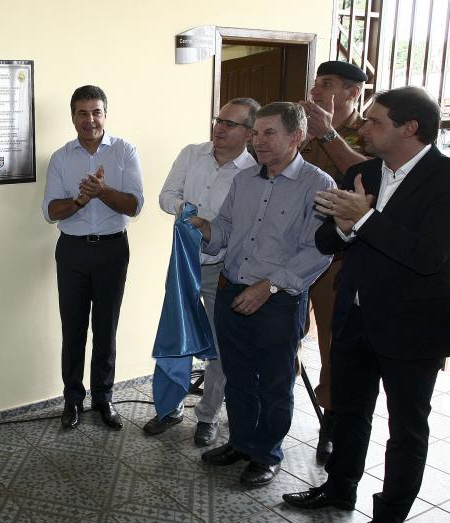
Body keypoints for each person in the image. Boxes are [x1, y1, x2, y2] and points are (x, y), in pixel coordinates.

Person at [284, 86, 450, 523]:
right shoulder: (362, 173)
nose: (361, 128)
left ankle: (388, 520)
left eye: (374, 120)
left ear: (410, 128)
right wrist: (342, 227)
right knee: (348, 410)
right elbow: (327, 241)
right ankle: (339, 488)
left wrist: (362, 220)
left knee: (407, 428)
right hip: (355, 315)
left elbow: (426, 256)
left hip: (414, 325)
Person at [190, 102, 332, 487]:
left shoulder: (318, 185)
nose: (258, 141)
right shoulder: (246, 180)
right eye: (256, 133)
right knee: (237, 376)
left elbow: (318, 250)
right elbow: (226, 229)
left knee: (273, 381)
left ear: (296, 137)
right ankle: (241, 442)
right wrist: (205, 227)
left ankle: (266, 454)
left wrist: (268, 286)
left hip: (278, 300)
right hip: (232, 292)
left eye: (269, 133)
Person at [155, 97, 259, 445]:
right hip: (184, 261)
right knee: (176, 333)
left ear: (249, 133)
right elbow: (166, 195)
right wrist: (183, 208)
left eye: (230, 124)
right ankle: (170, 408)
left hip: (223, 270)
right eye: (219, 120)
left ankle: (208, 416)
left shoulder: (252, 172)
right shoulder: (191, 154)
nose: (220, 127)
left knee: (219, 346)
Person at [42, 85, 144, 430]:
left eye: (96, 111)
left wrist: (102, 191)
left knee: (105, 329)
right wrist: (81, 201)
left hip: (114, 249)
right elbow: (51, 211)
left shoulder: (125, 151)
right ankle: (72, 400)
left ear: (105, 114)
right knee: (72, 329)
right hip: (72, 251)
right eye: (82, 113)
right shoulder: (61, 158)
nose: (90, 120)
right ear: (73, 117)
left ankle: (103, 398)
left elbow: (134, 205)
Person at [298, 60, 370, 463]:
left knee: (332, 343)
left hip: (335, 258)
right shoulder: (305, 134)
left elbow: (367, 177)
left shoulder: (364, 135)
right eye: (316, 84)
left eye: (326, 85)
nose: (316, 91)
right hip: (294, 250)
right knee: (278, 332)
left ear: (352, 93)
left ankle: (331, 423)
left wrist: (326, 133)